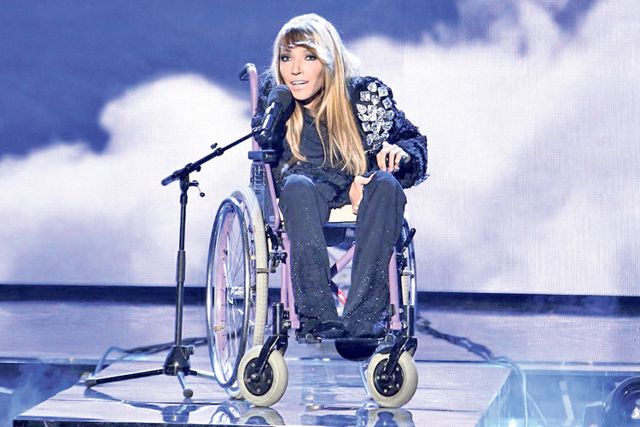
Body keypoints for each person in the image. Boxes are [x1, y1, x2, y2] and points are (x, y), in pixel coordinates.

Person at [252, 13, 428, 339]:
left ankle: (364, 321)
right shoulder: (277, 102)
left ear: (328, 61)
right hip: (304, 191)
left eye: (308, 57)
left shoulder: (363, 97)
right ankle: (317, 315)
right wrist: (272, 118)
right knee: (297, 187)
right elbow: (267, 169)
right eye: (286, 58)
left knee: (386, 186)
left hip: (358, 182)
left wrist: (396, 156)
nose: (295, 69)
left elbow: (413, 142)